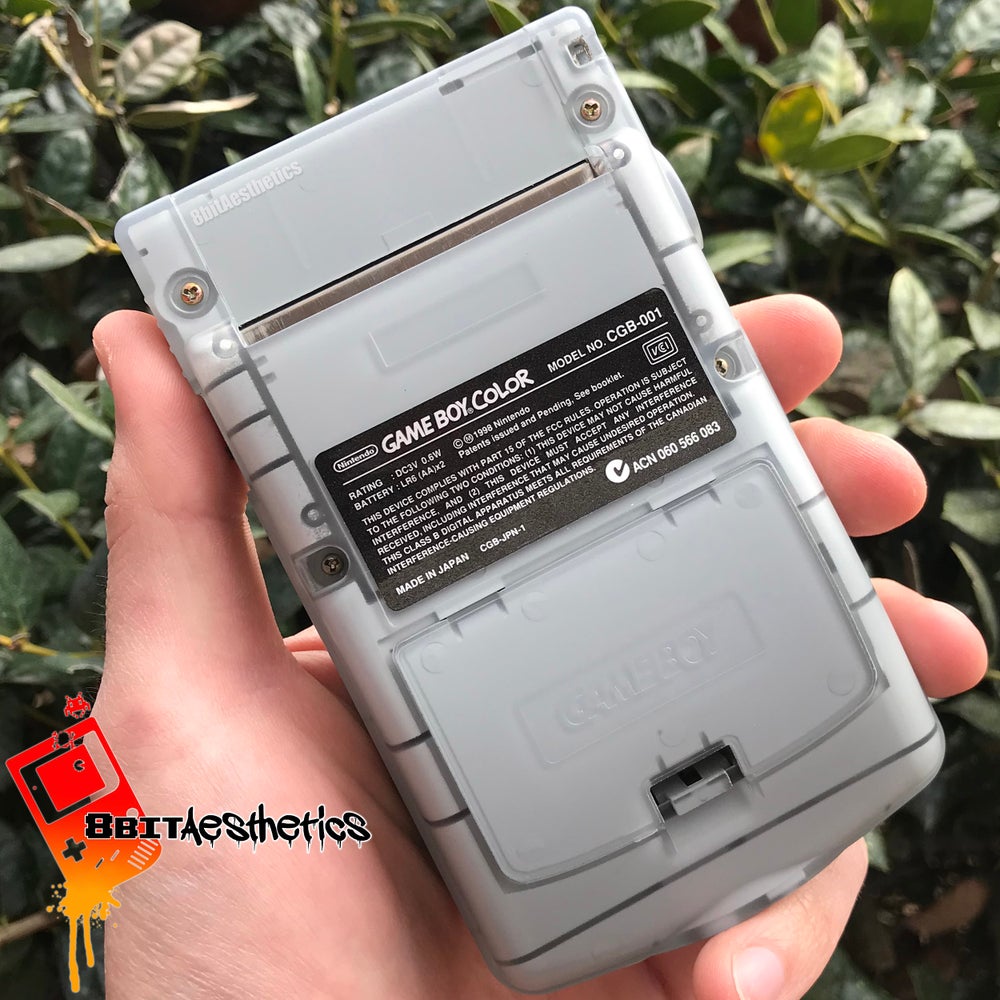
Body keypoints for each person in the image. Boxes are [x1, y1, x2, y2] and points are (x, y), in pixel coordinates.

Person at [91, 296, 986, 1000]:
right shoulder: (155, 756)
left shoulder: (130, 767)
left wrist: (108, 839)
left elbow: (101, 824)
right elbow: (108, 815)